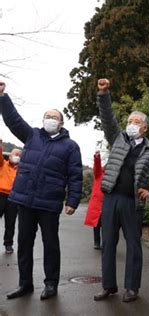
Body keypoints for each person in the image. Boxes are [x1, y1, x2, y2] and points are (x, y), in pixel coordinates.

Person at [93, 78, 149, 303]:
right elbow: (108, 118)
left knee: (133, 246)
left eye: (136, 122)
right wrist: (104, 94)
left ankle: (132, 288)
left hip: (133, 202)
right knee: (108, 243)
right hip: (111, 198)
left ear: (145, 128)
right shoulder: (117, 139)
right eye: (130, 120)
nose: (131, 124)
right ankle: (108, 286)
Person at [0, 82, 83, 301]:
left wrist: (73, 200)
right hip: (25, 199)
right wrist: (2, 97)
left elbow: (75, 176)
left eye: (54, 117)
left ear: (62, 122)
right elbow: (13, 120)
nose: (50, 119)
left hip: (49, 203)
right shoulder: (32, 135)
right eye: (47, 116)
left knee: (50, 245)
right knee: (24, 244)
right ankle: (25, 284)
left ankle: (51, 284)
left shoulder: (71, 146)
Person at [0, 139, 21, 254]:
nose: (17, 156)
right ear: (10, 155)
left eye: (19, 155)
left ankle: (8, 244)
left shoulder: (22, 169)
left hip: (13, 197)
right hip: (0, 194)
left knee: (10, 222)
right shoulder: (3, 164)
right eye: (15, 154)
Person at [84, 149, 105, 249]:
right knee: (96, 225)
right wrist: (97, 157)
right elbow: (97, 168)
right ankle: (97, 242)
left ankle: (106, 243)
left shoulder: (114, 178)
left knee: (106, 225)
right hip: (97, 203)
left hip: (106, 204)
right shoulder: (99, 174)